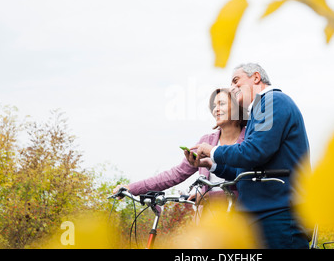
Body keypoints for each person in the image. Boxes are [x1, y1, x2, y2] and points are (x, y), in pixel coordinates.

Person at [188, 63, 311, 249]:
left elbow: (254, 151)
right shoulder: (260, 109)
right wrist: (211, 164)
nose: (232, 88)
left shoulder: (272, 101)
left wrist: (212, 150)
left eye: (236, 81)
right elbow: (247, 167)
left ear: (255, 77)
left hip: (279, 216)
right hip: (264, 217)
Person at [112, 88, 247, 215]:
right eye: (214, 106)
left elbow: (244, 180)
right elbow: (176, 174)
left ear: (236, 108)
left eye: (221, 104)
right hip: (209, 220)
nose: (216, 109)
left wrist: (206, 196)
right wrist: (132, 188)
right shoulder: (206, 141)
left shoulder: (249, 140)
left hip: (241, 218)